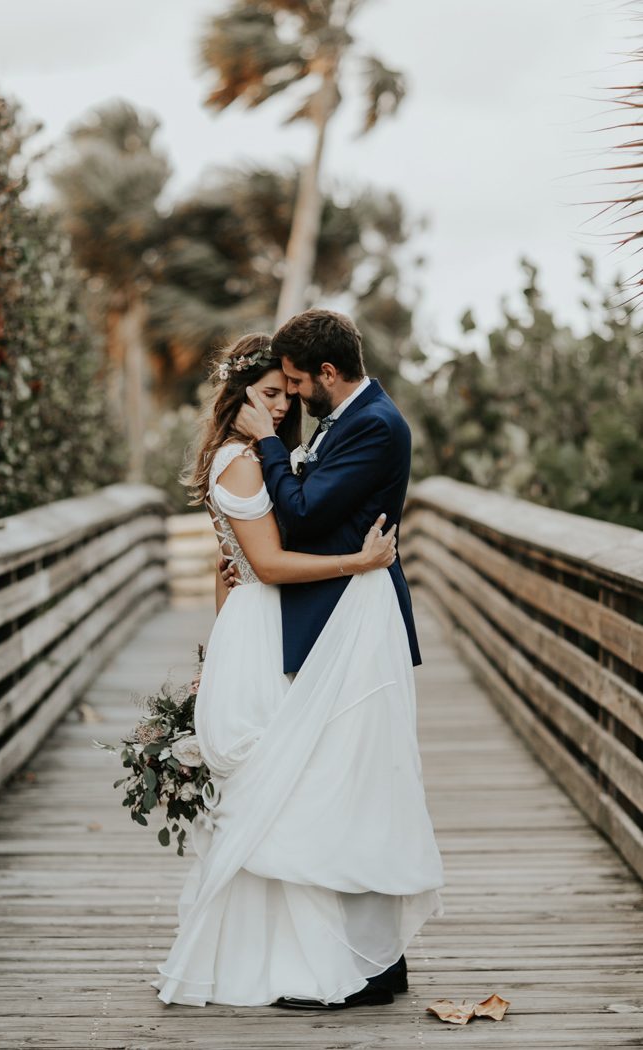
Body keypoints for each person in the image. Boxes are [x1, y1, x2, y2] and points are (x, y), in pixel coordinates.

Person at [152, 327, 444, 1010]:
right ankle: (337, 956)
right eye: (272, 393)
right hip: (285, 622)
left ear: (326, 372)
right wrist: (352, 561)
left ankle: (358, 956)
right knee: (303, 785)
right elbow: (270, 553)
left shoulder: (367, 425)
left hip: (319, 625)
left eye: (293, 389)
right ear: (240, 394)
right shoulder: (259, 453)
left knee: (325, 784)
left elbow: (281, 531)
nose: (286, 405)